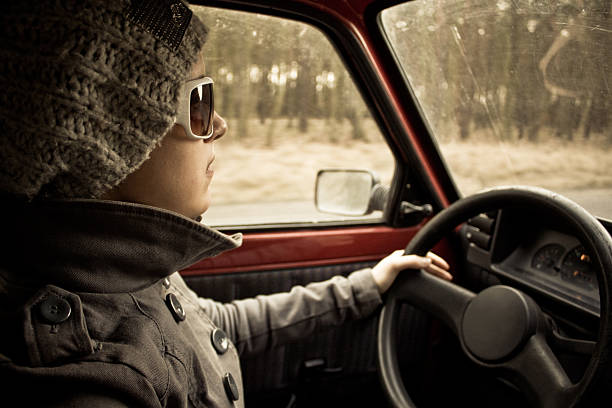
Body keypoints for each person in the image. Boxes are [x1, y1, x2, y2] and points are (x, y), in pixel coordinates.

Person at [0, 0, 452, 406]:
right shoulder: (89, 384)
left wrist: (365, 286)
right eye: (199, 100)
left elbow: (214, 329)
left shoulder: (126, 267)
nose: (219, 124)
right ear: (109, 140)